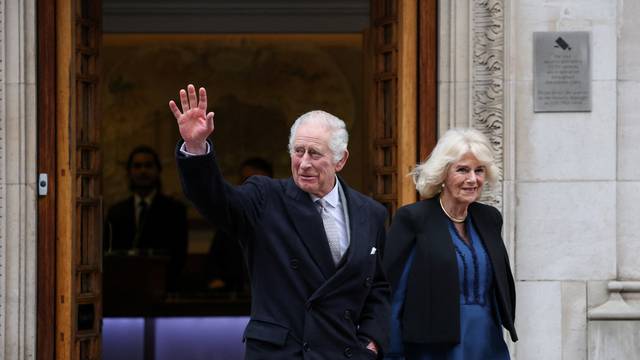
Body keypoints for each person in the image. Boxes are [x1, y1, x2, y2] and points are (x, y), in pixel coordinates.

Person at [169, 84, 390, 359]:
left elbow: (378, 287)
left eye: (315, 153)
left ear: (340, 160)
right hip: (284, 352)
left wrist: (371, 342)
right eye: (298, 151)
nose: (304, 163)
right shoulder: (265, 198)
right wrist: (195, 147)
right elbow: (217, 201)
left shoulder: (370, 213)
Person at [382, 128, 517, 360]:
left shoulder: (489, 219)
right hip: (434, 348)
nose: (472, 179)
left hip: (487, 342)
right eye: (462, 170)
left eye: (479, 170)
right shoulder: (414, 219)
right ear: (443, 174)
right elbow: (394, 295)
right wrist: (392, 354)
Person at [104, 145, 188, 290]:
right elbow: (109, 253)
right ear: (129, 172)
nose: (143, 171)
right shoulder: (116, 212)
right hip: (123, 288)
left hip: (162, 288)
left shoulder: (175, 211)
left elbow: (179, 256)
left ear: (158, 171)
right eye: (137, 166)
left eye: (148, 166)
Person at [206, 157, 274, 292]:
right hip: (232, 296)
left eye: (258, 184)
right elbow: (213, 263)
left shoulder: (283, 220)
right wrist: (215, 280)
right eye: (246, 182)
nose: (251, 190)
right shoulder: (229, 220)